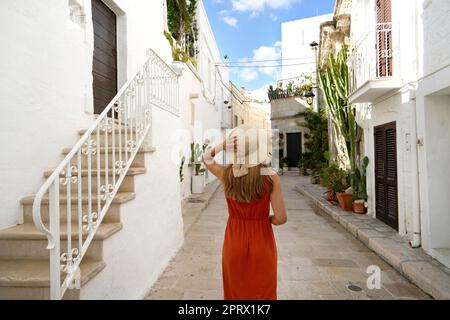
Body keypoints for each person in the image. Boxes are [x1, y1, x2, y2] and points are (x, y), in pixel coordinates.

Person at [202, 125, 287, 300]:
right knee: (263, 294)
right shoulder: (271, 177)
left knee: (235, 295)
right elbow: (281, 218)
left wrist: (222, 146)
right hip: (262, 241)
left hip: (234, 241)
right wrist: (266, 220)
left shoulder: (228, 174)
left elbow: (205, 158)